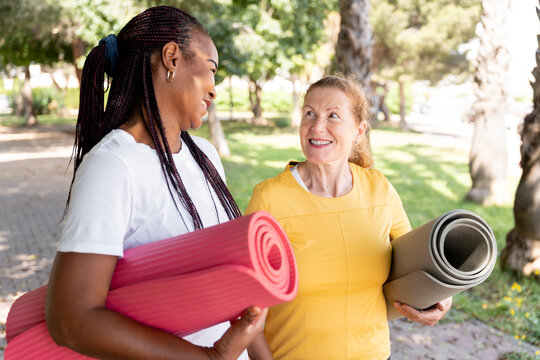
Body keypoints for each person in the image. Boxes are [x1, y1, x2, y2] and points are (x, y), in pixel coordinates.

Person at [45, 6, 271, 360]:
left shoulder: (206, 155)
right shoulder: (114, 165)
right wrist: (208, 358)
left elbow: (236, 294)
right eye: (211, 70)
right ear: (171, 58)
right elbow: (71, 320)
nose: (215, 89)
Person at [246, 75, 452, 360]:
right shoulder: (270, 198)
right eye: (310, 113)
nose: (317, 126)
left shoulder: (379, 188)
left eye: (333, 115)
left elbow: (416, 266)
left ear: (358, 132)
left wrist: (439, 299)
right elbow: (247, 309)